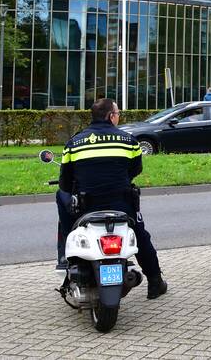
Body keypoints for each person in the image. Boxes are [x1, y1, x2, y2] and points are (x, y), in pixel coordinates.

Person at [55, 98, 168, 299]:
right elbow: (135, 170)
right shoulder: (128, 141)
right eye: (117, 114)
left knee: (61, 196)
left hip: (86, 207)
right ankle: (155, 282)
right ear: (110, 116)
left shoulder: (74, 143)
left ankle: (66, 251)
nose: (118, 117)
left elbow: (65, 182)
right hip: (121, 205)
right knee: (140, 236)